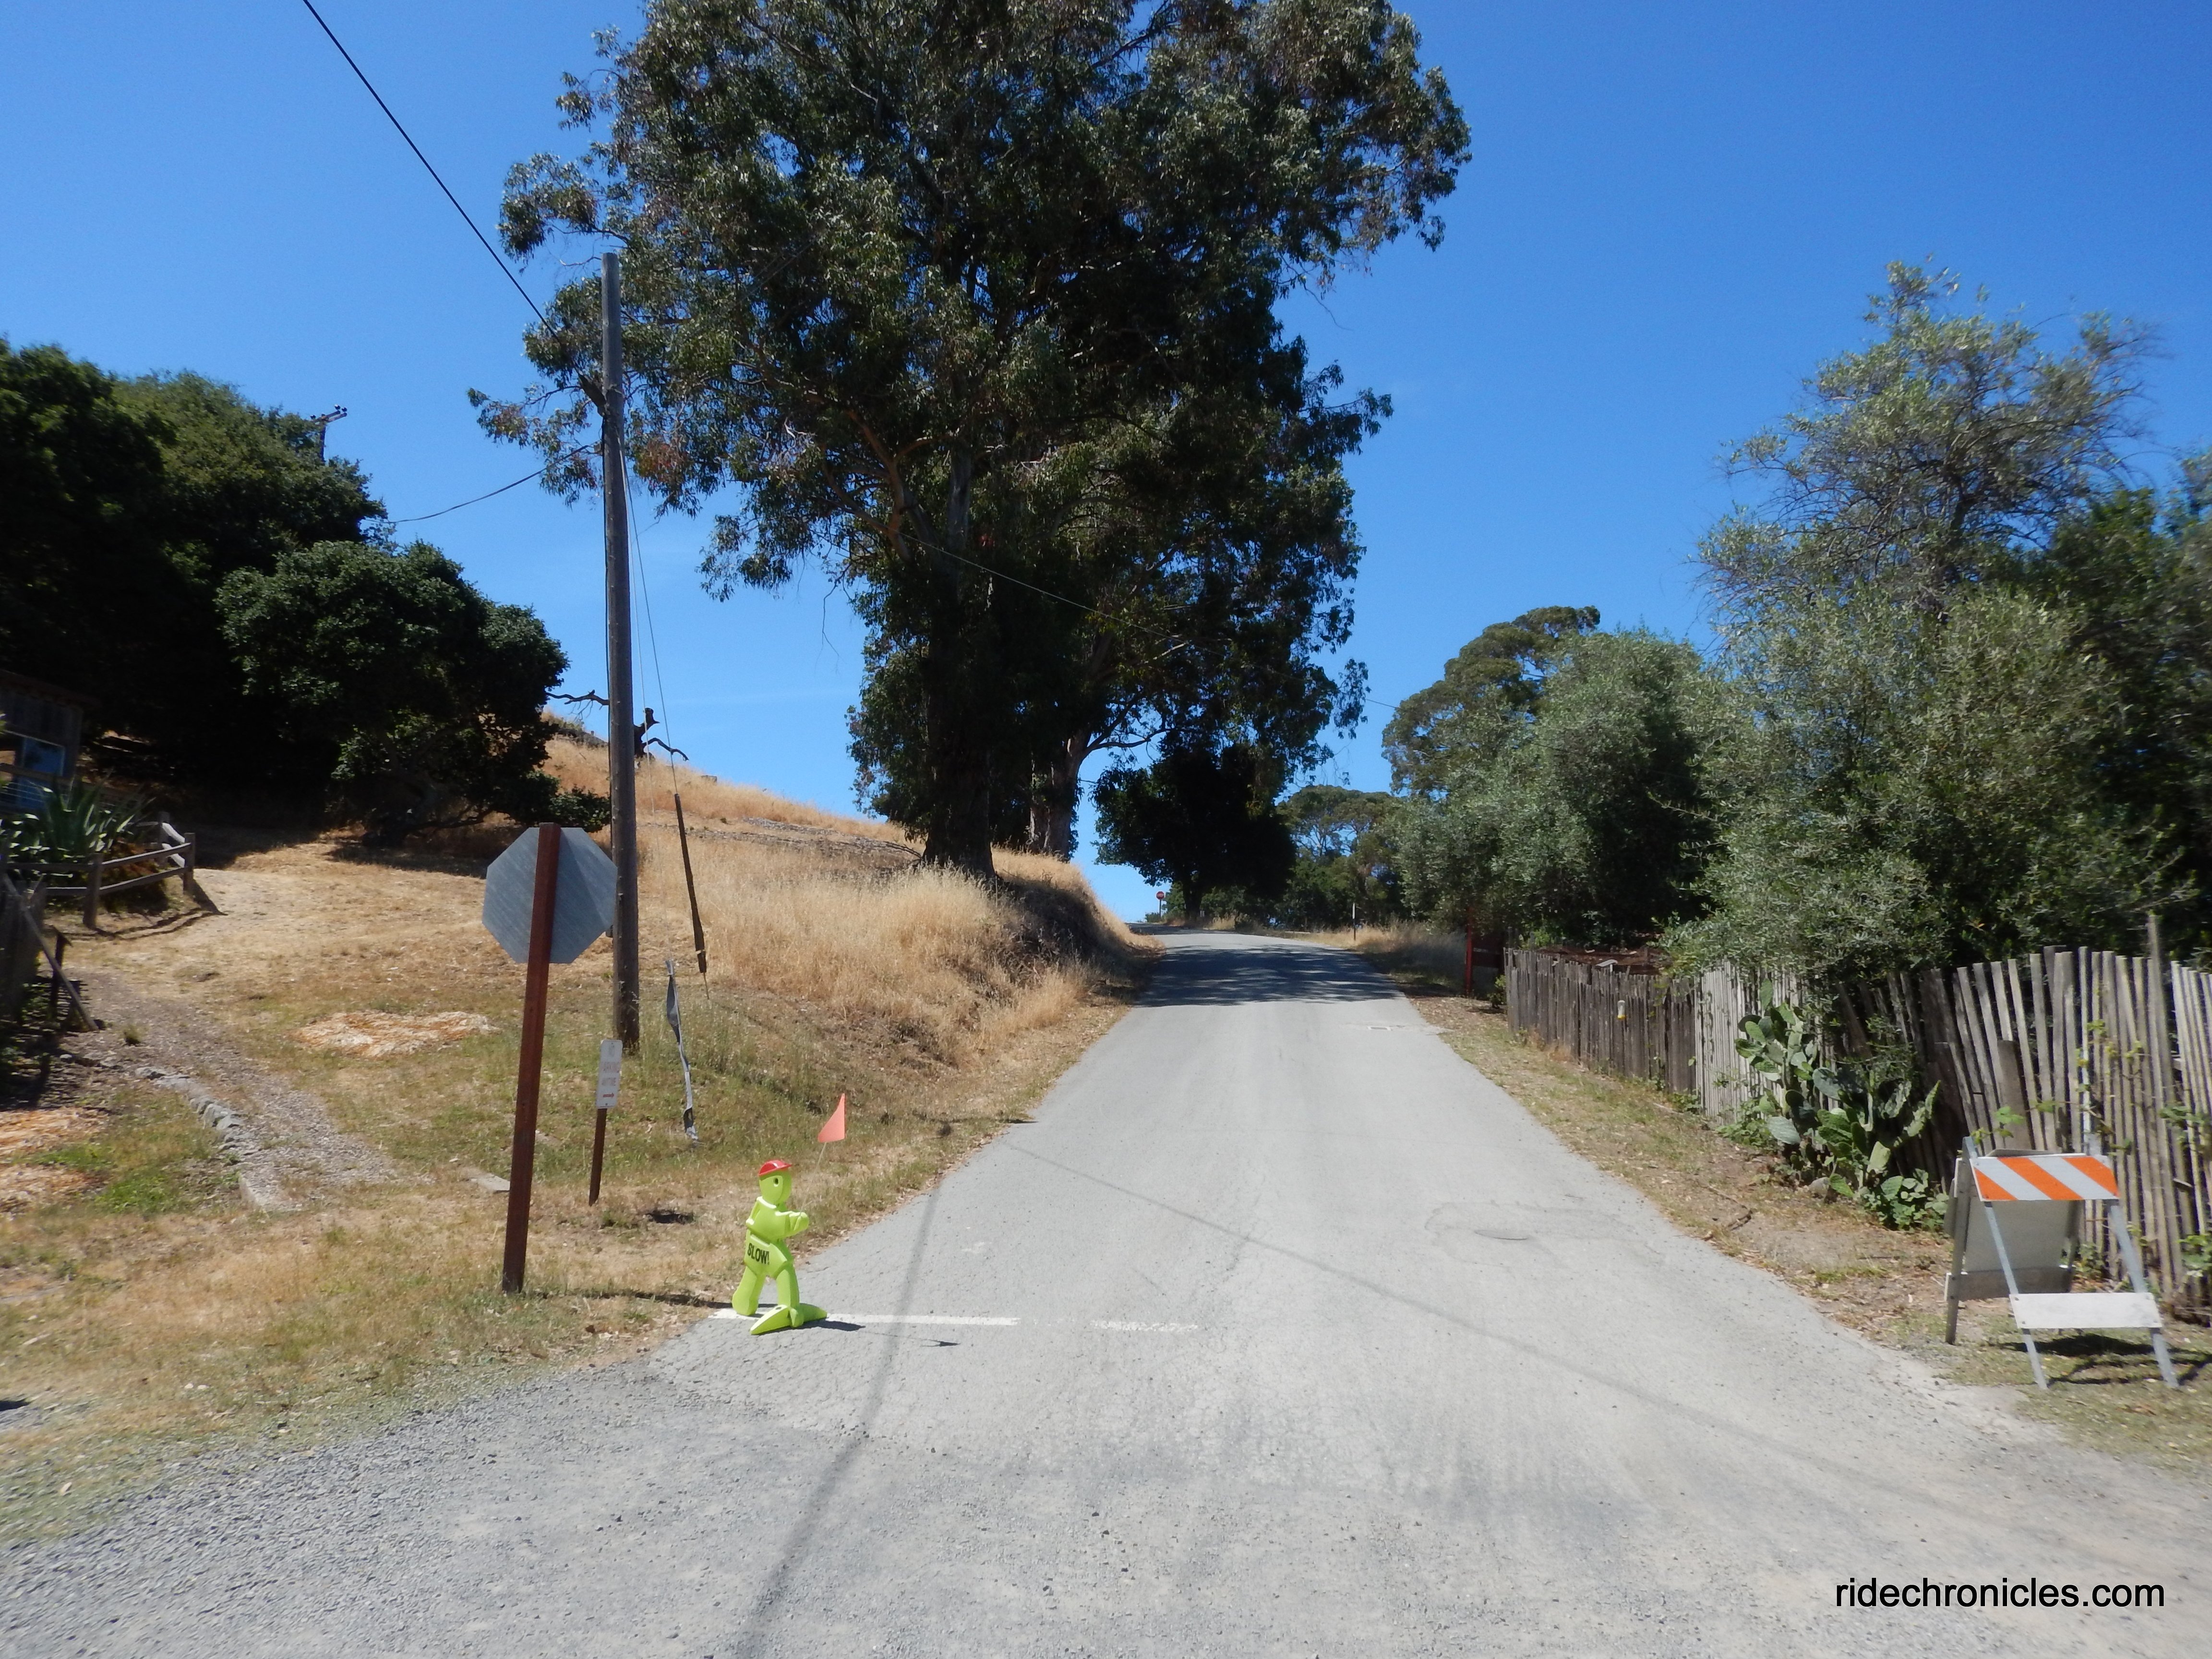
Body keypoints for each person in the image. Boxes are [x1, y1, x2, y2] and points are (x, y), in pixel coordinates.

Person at [734, 1159, 826, 1334]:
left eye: (785, 1180)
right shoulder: (764, 1207)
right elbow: (775, 1225)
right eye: (777, 1181)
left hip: (766, 1247)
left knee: (778, 1270)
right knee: (762, 1272)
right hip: (760, 1246)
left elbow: (780, 1220)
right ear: (766, 1183)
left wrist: (792, 1219)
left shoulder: (774, 1206)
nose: (784, 1185)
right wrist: (794, 1222)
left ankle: (789, 1305)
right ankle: (779, 1306)